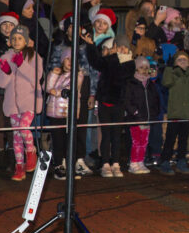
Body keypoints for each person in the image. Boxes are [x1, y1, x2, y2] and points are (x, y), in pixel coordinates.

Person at [84, 33, 136, 178]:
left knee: (116, 135)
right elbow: (95, 62)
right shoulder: (109, 60)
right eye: (119, 46)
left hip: (119, 104)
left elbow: (118, 74)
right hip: (104, 103)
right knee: (105, 134)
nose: (122, 50)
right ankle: (105, 163)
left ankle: (116, 163)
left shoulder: (130, 64)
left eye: (125, 47)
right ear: (115, 47)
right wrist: (91, 46)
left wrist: (113, 57)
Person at [0, 25, 43, 181]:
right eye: (13, 38)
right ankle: (19, 166)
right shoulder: (5, 57)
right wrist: (7, 72)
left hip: (29, 100)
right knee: (16, 135)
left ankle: (31, 152)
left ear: (26, 41)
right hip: (12, 103)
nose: (16, 41)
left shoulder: (34, 56)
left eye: (20, 38)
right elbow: (0, 83)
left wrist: (22, 65)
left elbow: (37, 77)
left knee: (23, 127)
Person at [46, 48, 84, 180]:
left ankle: (69, 165)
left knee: (69, 141)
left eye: (73, 59)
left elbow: (71, 87)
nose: (70, 62)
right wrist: (53, 74)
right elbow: (47, 87)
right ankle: (58, 166)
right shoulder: (57, 73)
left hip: (69, 113)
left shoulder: (78, 74)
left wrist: (57, 91)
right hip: (55, 112)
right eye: (67, 58)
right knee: (57, 140)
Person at [0, 11, 19, 171]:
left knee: (12, 125)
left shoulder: (20, 43)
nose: (7, 28)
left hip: (14, 91)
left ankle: (13, 160)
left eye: (11, 25)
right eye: (4, 25)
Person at [124, 56, 160, 174]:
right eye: (141, 67)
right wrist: (135, 112)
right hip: (136, 118)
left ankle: (140, 161)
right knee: (136, 141)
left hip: (147, 118)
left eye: (146, 67)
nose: (144, 70)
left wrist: (154, 112)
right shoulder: (131, 83)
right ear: (136, 69)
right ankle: (133, 162)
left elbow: (155, 99)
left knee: (144, 141)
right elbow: (127, 100)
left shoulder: (150, 84)